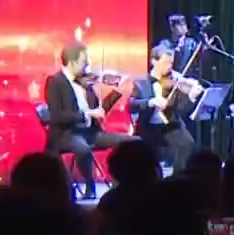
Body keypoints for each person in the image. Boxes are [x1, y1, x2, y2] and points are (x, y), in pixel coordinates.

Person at [43, 42, 137, 198]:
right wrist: (86, 114)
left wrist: (116, 91)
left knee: (132, 141)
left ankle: (119, 186)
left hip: (91, 133)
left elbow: (99, 111)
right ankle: (90, 186)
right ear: (72, 62)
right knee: (82, 148)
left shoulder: (86, 83)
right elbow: (57, 115)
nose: (87, 65)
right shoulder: (55, 82)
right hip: (67, 134)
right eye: (84, 61)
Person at [134, 42, 200, 174]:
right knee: (142, 153)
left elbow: (182, 108)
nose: (169, 67)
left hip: (169, 125)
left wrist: (191, 95)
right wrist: (151, 102)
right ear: (154, 61)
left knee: (187, 143)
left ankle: (178, 177)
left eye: (171, 63)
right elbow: (132, 104)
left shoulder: (174, 80)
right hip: (148, 127)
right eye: (165, 63)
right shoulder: (141, 82)